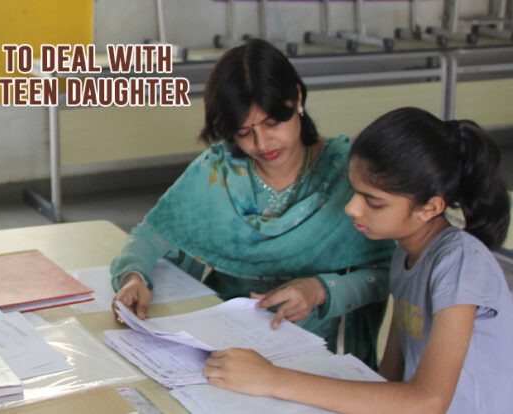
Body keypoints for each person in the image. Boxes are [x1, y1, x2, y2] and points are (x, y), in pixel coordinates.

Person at [203, 107, 513, 413]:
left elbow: (427, 402)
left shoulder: (460, 261)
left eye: (373, 202)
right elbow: (389, 377)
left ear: (429, 208)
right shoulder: (406, 253)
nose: (352, 208)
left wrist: (272, 379)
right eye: (355, 192)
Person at [110, 39, 394, 367]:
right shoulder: (218, 170)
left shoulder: (347, 174)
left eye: (272, 124)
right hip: (220, 343)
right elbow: (149, 236)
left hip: (318, 353)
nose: (262, 143)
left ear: (298, 98)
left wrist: (320, 290)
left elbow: (388, 271)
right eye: (244, 133)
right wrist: (134, 279)